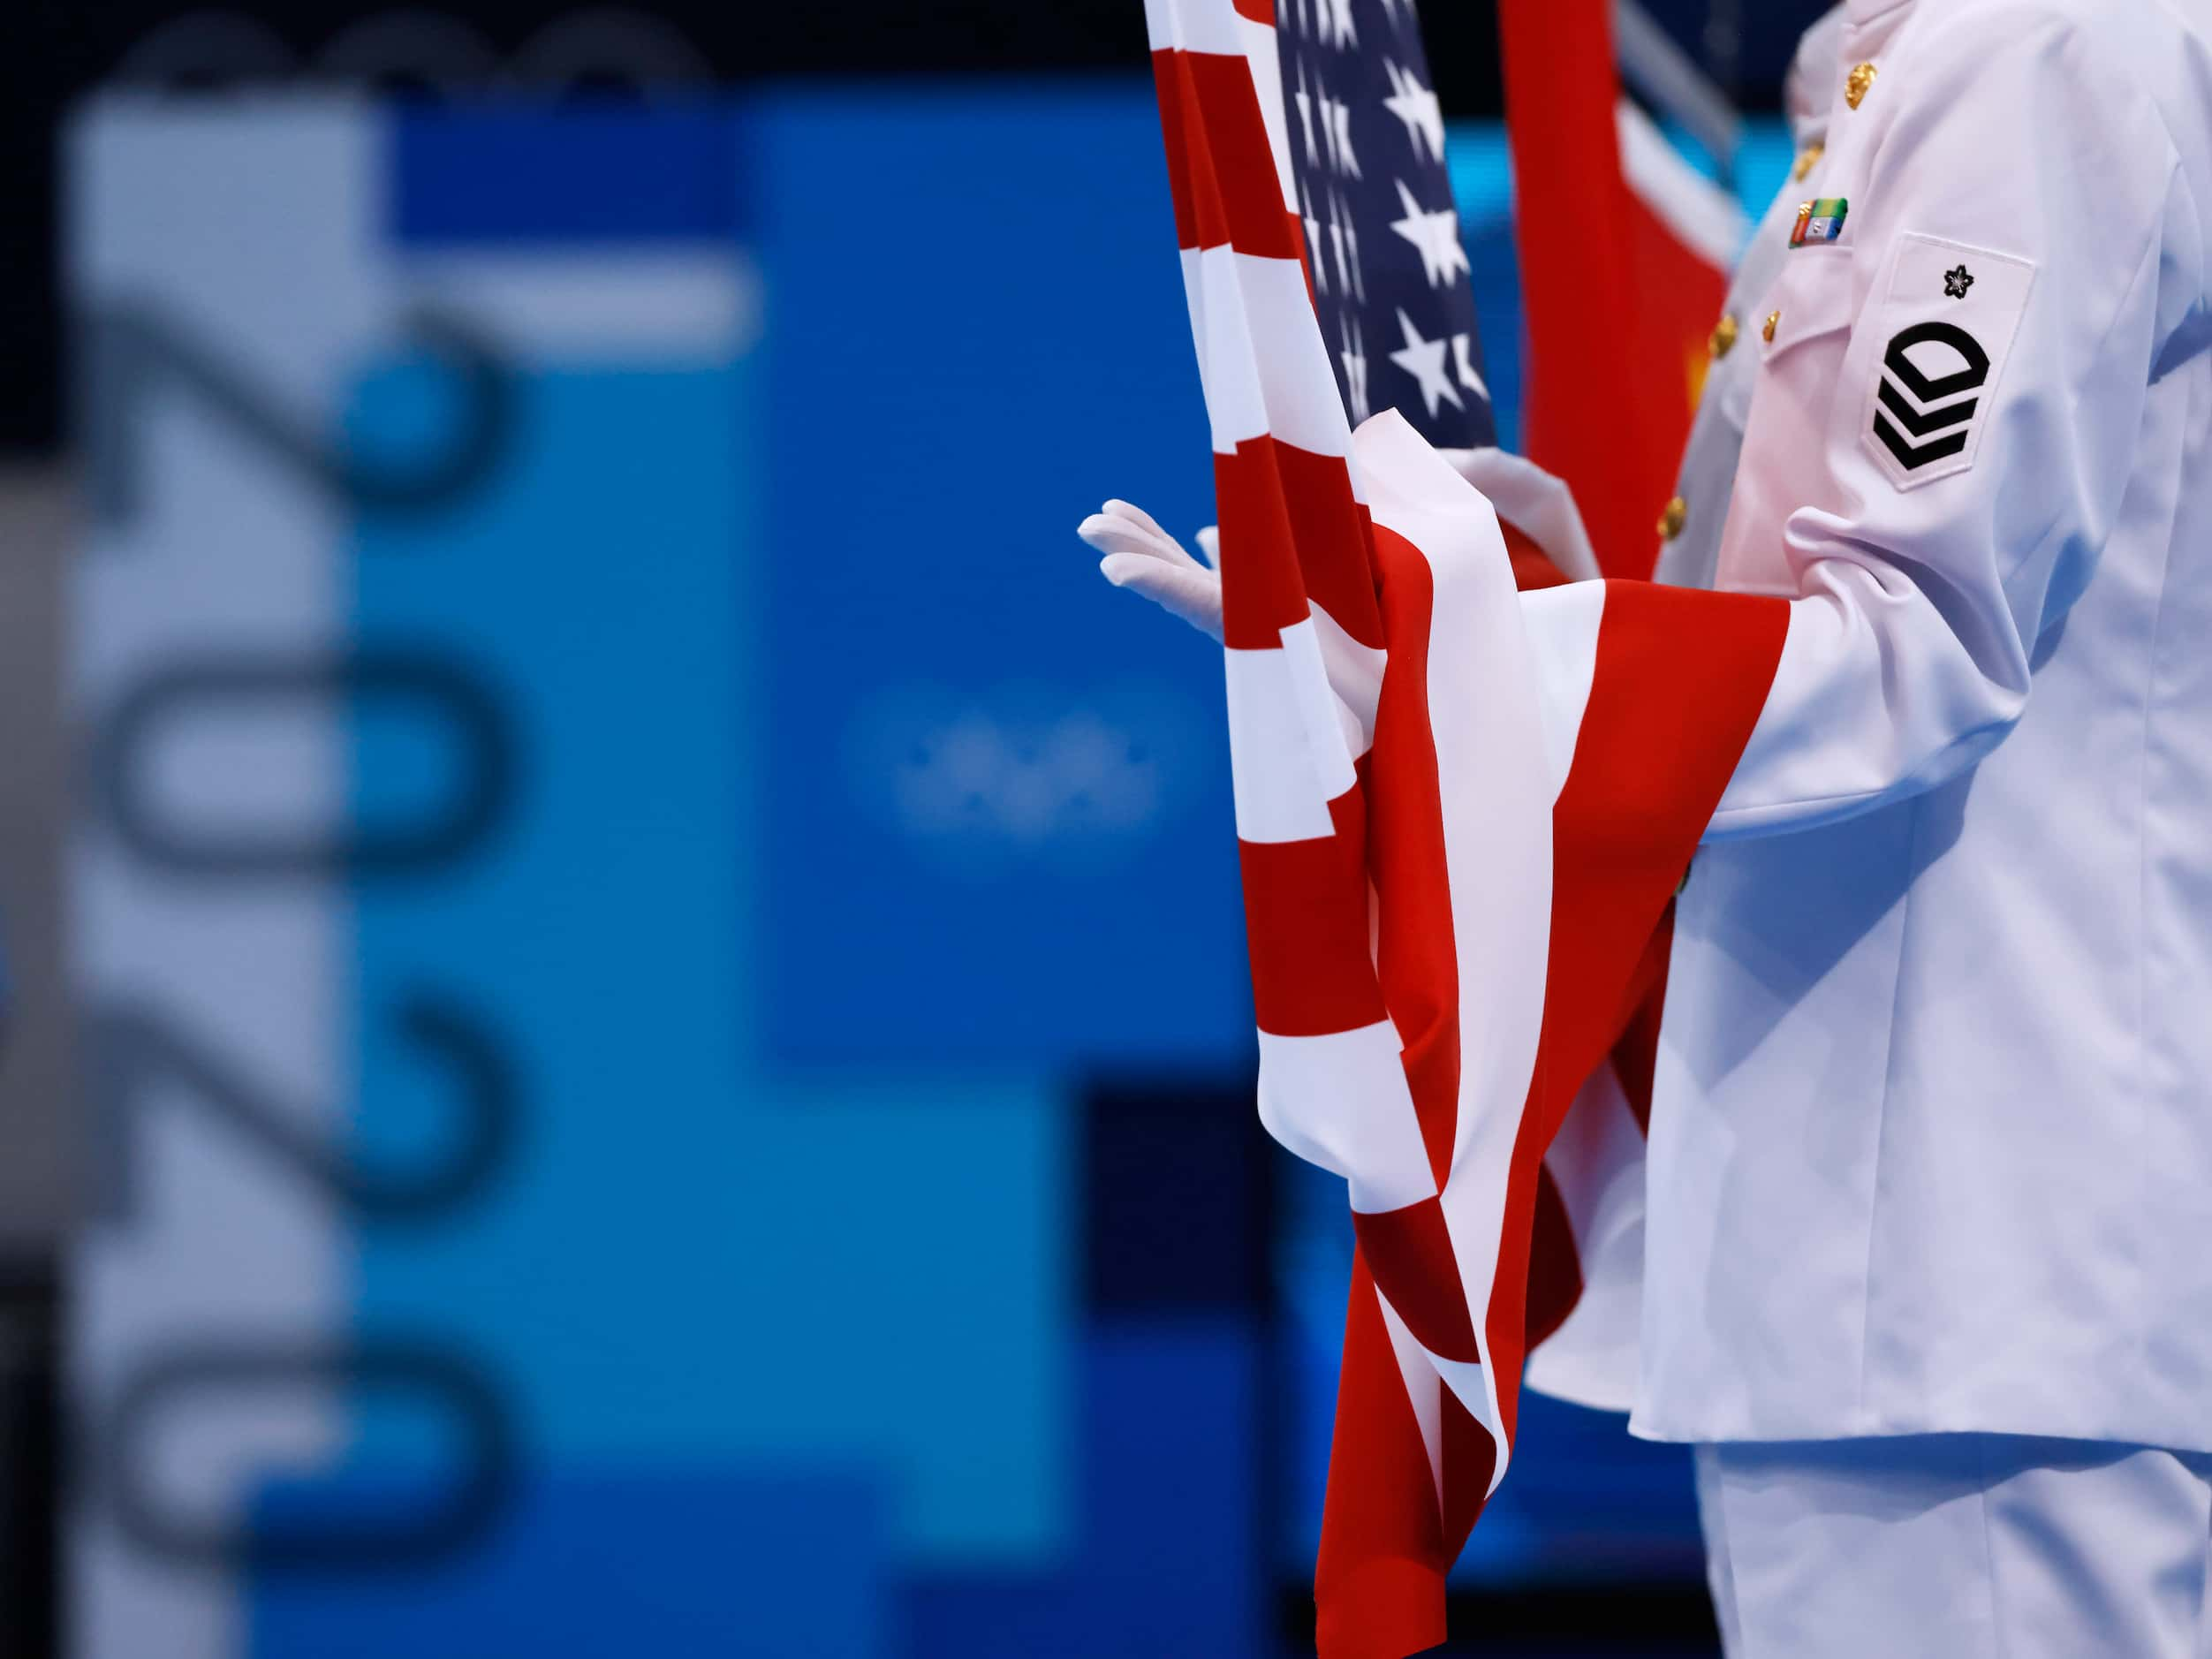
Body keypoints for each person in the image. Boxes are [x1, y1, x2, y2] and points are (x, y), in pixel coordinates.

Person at [1086, 0, 2212, 1651]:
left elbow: (1914, 638)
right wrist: (1508, 594)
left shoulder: (2046, 45)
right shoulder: (1916, 59)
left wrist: (1461, 666)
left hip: (1974, 1262)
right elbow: (1818, 611)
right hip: (1864, 1257)